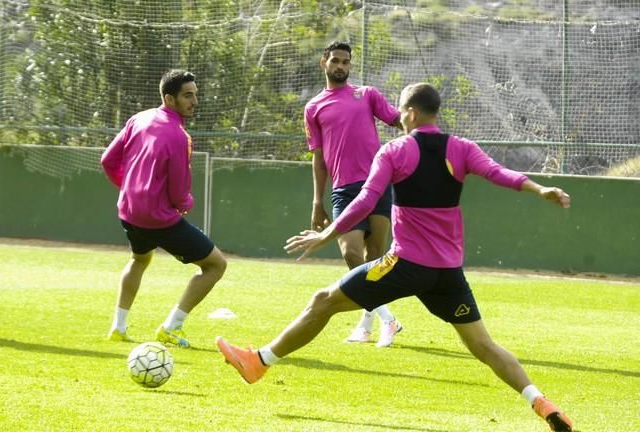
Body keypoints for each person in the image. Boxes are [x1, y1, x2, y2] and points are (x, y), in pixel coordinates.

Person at [215, 83, 574, 431]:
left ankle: (259, 362)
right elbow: (499, 173)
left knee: (322, 301)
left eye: (400, 110)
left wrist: (327, 233)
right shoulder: (461, 148)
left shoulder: (396, 151)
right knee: (484, 345)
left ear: (412, 113)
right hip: (448, 273)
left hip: (405, 265)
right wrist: (541, 188)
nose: (397, 116)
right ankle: (542, 403)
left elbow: (366, 200)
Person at [101, 69, 227, 348]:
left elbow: (107, 160)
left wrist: (130, 188)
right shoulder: (179, 136)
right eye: (187, 95)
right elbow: (179, 190)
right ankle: (171, 327)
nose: (194, 101)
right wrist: (186, 204)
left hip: (129, 213)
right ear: (170, 99)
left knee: (139, 260)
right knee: (216, 264)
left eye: (195, 94)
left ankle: (118, 327)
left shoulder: (139, 118)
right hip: (158, 219)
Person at [304, 41, 403, 347]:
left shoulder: (367, 94)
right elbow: (318, 159)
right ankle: (388, 318)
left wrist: (422, 131)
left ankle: (365, 325)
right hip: (343, 190)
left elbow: (398, 120)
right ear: (324, 63)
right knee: (350, 253)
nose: (341, 66)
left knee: (375, 257)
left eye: (346, 62)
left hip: (377, 183)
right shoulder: (313, 108)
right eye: (336, 60)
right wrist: (317, 200)